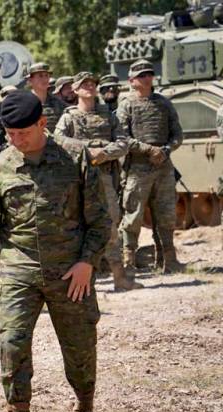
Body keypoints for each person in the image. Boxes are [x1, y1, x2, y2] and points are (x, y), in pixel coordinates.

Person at [0, 91, 110, 412]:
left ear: (42, 124)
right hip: (19, 270)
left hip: (72, 272)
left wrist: (87, 262)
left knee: (80, 347)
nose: (15, 141)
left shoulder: (75, 156)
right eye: (10, 134)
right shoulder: (0, 166)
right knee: (12, 345)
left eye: (23, 133)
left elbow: (99, 220)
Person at [55, 72, 138, 291]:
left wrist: (103, 153)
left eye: (92, 83)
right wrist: (86, 150)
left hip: (104, 179)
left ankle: (119, 276)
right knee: (76, 225)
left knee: (109, 224)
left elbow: (123, 142)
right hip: (77, 180)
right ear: (74, 89)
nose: (89, 87)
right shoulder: (68, 117)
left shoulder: (109, 115)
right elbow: (58, 141)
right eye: (84, 84)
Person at [117, 59, 184, 276]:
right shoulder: (126, 105)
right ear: (132, 81)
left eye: (149, 74)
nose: (147, 78)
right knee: (133, 216)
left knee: (166, 215)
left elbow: (178, 135)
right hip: (137, 168)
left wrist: (164, 150)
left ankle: (169, 260)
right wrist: (148, 150)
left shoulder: (164, 104)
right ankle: (128, 263)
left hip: (163, 167)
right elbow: (122, 138)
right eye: (142, 75)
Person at [27, 62, 65, 132]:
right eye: (40, 76)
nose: (44, 79)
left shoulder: (59, 103)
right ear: (30, 80)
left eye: (46, 75)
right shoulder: (23, 103)